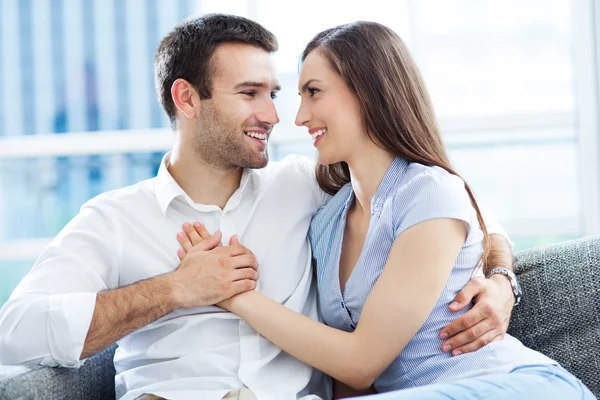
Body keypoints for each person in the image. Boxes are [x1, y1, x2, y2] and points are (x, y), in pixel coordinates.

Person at [1, 15, 516, 400]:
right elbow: (13, 332)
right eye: (250, 93)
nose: (274, 115)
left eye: (273, 93)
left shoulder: (304, 186)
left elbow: (452, 208)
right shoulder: (114, 219)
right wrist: (175, 289)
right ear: (186, 98)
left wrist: (500, 279)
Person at [174, 21, 596, 399]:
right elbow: (351, 380)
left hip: (508, 386)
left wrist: (232, 294)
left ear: (368, 91)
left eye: (313, 93)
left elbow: (361, 361)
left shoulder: (428, 192)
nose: (299, 117)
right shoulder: (326, 217)